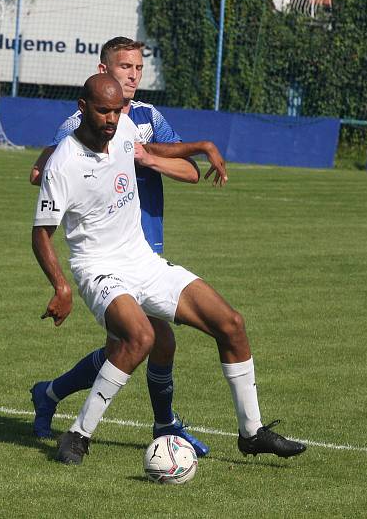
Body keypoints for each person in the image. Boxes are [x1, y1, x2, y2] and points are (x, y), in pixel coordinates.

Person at [32, 73, 306, 465]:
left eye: (116, 110)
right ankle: (78, 435)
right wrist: (60, 286)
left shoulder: (124, 127)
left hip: (143, 261)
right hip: (99, 269)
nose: (112, 118)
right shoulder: (65, 163)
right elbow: (41, 234)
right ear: (83, 109)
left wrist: (203, 146)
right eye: (103, 110)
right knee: (140, 337)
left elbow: (150, 147)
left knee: (230, 323)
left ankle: (252, 432)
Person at [29, 37, 226, 457]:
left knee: (141, 343)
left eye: (138, 67)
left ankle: (56, 397)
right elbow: (52, 161)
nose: (133, 75)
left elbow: (189, 172)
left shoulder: (148, 117)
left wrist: (150, 159)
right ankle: (158, 426)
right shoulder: (81, 124)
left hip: (146, 243)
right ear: (103, 72)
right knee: (137, 342)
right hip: (106, 255)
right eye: (124, 67)